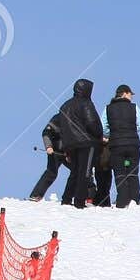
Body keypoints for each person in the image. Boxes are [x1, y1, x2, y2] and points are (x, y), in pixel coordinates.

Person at [54, 78, 104, 210]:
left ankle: (66, 198)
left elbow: (62, 126)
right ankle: (79, 201)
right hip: (86, 143)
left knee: (74, 172)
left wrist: (66, 144)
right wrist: (99, 135)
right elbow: (93, 123)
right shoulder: (86, 103)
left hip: (70, 144)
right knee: (85, 172)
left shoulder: (65, 105)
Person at [103, 84, 140, 207]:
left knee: (120, 173)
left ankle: (122, 200)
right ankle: (134, 199)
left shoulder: (107, 109)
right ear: (125, 93)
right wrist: (131, 130)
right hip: (133, 144)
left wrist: (112, 133)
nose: (131, 96)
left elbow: (103, 127)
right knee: (133, 172)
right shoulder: (134, 107)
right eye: (130, 94)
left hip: (116, 145)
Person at [28, 112, 69, 201]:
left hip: (69, 153)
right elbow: (46, 133)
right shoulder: (58, 118)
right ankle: (35, 195)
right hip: (55, 151)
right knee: (51, 172)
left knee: (80, 172)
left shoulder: (77, 119)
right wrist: (49, 146)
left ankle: (86, 197)